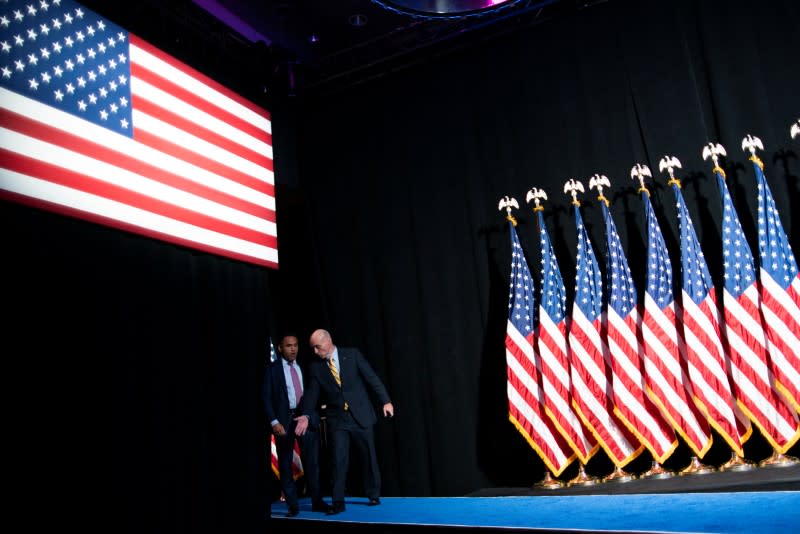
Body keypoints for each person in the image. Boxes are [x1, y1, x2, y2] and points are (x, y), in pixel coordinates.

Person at [295, 329, 394, 515]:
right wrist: (306, 414)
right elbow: (312, 394)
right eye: (313, 348)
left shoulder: (352, 354)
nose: (315, 351)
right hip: (337, 420)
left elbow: (371, 377)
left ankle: (373, 494)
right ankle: (338, 502)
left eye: (317, 347)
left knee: (368, 456)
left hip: (360, 415)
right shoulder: (316, 367)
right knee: (338, 461)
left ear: (328, 341)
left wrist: (386, 401)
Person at [263, 333, 330, 516]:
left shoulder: (305, 365)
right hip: (284, 422)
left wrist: (309, 415)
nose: (293, 349)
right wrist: (274, 421)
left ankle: (317, 501)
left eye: (296, 345)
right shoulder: (272, 369)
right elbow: (266, 398)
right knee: (285, 465)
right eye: (289, 346)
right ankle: (293, 505)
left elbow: (313, 392)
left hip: (306, 419)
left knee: (312, 463)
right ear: (280, 348)